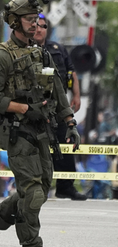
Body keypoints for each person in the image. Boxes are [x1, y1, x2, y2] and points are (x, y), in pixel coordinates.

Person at [0, 0, 80, 247]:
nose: (35, 25)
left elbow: (57, 88)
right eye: (29, 20)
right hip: (17, 132)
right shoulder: (2, 56)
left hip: (42, 131)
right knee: (33, 193)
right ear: (14, 22)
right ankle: (31, 242)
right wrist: (22, 108)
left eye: (37, 19)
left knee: (40, 189)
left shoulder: (40, 53)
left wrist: (70, 122)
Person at [33, 14, 86, 201]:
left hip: (58, 109)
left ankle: (66, 187)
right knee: (36, 149)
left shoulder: (58, 49)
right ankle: (36, 188)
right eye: (36, 26)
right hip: (36, 110)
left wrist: (77, 95)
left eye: (43, 26)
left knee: (65, 145)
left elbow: (71, 73)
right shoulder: (24, 51)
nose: (39, 29)